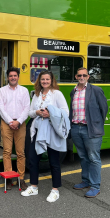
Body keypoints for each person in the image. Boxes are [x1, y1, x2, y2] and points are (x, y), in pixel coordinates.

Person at [21, 70, 69, 202]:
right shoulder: (37, 94)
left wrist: (50, 114)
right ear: (39, 81)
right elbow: (30, 113)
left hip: (52, 131)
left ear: (51, 80)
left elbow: (66, 112)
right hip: (37, 130)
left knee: (54, 161)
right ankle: (34, 187)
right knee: (33, 159)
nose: (45, 81)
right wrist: (37, 112)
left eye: (47, 79)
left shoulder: (57, 94)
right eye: (43, 79)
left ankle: (55, 190)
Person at [70, 67, 108, 198]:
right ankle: (85, 181)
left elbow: (104, 109)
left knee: (93, 158)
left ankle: (95, 186)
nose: (81, 77)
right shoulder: (73, 91)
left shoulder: (96, 90)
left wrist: (96, 125)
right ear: (76, 76)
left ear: (88, 77)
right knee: (83, 156)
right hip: (76, 128)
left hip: (90, 129)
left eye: (84, 75)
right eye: (79, 75)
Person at [0, 67, 30, 191]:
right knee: (7, 151)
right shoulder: (2, 91)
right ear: (7, 77)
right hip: (7, 123)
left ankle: (21, 179)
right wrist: (10, 121)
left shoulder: (24, 90)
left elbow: (27, 107)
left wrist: (18, 121)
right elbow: (1, 108)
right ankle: (9, 178)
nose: (13, 78)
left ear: (18, 77)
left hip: (20, 123)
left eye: (15, 75)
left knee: (21, 152)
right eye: (10, 76)